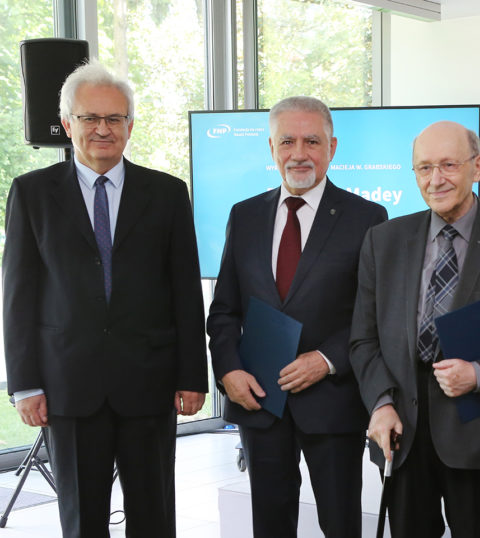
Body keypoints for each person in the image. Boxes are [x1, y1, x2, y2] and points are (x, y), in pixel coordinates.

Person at [2, 60, 208, 537]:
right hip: (68, 386)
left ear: (130, 125)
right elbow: (18, 296)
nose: (102, 129)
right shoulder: (32, 193)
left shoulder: (168, 193)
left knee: (154, 516)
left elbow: (184, 290)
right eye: (90, 117)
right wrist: (25, 384)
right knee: (82, 521)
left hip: (150, 383)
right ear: (67, 123)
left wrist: (192, 375)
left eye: (114, 118)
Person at [207, 96, 387, 538]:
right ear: (272, 147)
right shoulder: (244, 215)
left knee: (341, 524)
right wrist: (228, 369)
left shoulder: (367, 218)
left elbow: (374, 314)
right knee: (270, 523)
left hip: (333, 402)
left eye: (312, 141)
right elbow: (225, 309)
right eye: (287, 141)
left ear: (332, 147)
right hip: (259, 399)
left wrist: (326, 360)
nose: (299, 153)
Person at [350, 121, 480, 538]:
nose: (435, 179)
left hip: (478, 427)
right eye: (424, 168)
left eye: (449, 165)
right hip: (402, 428)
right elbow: (363, 339)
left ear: (477, 167)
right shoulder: (383, 241)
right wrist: (381, 404)